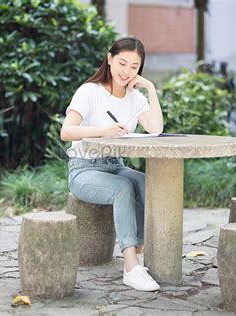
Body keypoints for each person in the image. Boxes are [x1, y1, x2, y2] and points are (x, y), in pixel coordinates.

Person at [60, 37, 164, 291]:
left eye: (134, 66)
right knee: (122, 188)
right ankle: (130, 267)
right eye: (122, 63)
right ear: (109, 59)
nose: (126, 71)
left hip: (114, 165)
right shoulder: (90, 91)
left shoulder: (136, 97)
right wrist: (102, 130)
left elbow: (156, 129)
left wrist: (150, 90)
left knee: (143, 182)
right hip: (84, 169)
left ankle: (135, 254)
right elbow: (66, 131)